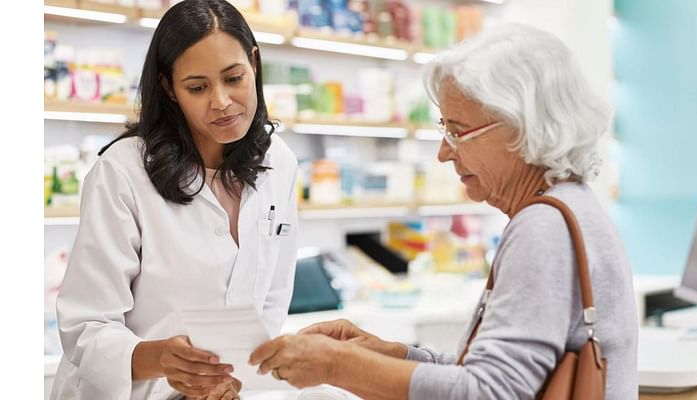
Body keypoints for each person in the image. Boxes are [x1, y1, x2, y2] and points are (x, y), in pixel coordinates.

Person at [248, 23, 638, 399]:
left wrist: (339, 364)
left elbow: (489, 393)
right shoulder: (572, 205)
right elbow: (494, 375)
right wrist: (389, 355)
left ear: (521, 128)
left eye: (457, 130)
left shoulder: (543, 226)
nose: (444, 152)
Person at [50, 1, 299, 399]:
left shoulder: (279, 163)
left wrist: (235, 379)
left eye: (234, 78)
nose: (221, 101)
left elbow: (270, 300)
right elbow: (85, 326)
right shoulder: (123, 171)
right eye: (197, 87)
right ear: (169, 88)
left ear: (254, 63)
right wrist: (160, 358)